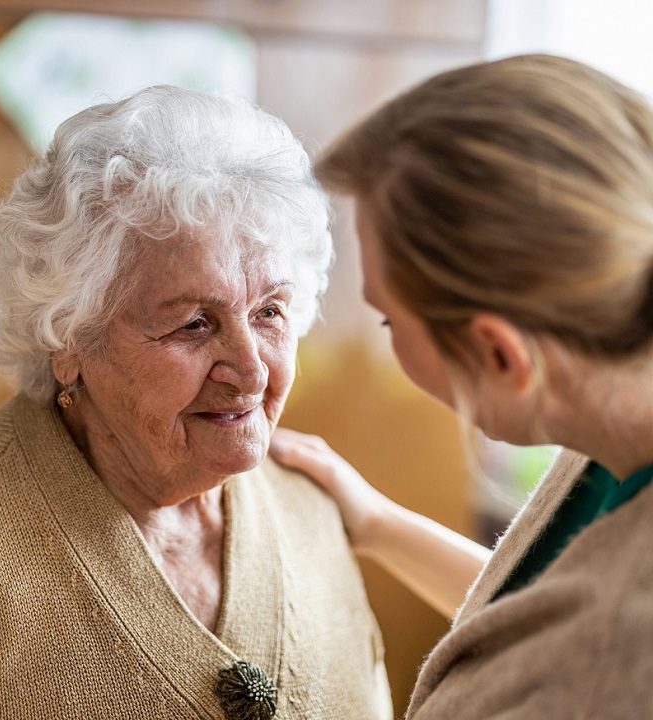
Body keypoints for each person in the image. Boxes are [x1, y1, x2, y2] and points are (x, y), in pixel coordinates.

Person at [0, 86, 392, 719]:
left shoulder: (313, 509)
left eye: (270, 312)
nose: (252, 371)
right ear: (67, 338)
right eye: (193, 324)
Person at [270, 54, 653, 718]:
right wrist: (379, 524)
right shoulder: (613, 402)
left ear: (499, 355)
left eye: (388, 318)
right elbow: (542, 621)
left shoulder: (621, 668)